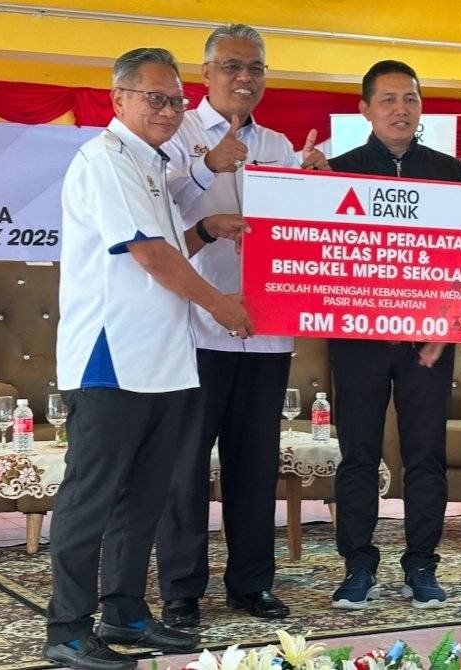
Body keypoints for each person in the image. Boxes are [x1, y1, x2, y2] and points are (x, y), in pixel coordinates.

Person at [45, 47, 253, 670]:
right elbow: (148, 256)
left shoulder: (152, 166)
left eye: (175, 100)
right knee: (93, 495)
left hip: (164, 356)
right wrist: (220, 303)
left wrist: (207, 231)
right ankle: (67, 630)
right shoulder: (104, 160)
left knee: (145, 496)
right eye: (153, 98)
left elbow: (170, 248)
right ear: (119, 100)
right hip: (111, 356)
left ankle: (125, 611)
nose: (167, 110)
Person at [156, 23, 329, 628]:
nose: (244, 77)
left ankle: (251, 583)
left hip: (266, 328)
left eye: (254, 67)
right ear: (205, 74)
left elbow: (299, 233)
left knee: (255, 462)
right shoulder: (172, 136)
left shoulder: (279, 144)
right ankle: (180, 589)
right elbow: (156, 223)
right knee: (185, 465)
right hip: (195, 329)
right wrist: (205, 166)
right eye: (231, 66)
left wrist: (314, 183)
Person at [326, 60, 461, 611]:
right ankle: (358, 565)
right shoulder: (338, 171)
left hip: (429, 342)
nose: (400, 109)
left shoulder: (451, 171)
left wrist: (450, 325)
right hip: (358, 339)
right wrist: (307, 183)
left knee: (427, 454)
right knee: (358, 454)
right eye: (387, 100)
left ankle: (421, 565)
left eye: (410, 98)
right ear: (364, 109)